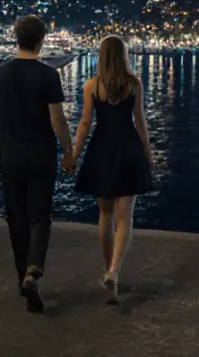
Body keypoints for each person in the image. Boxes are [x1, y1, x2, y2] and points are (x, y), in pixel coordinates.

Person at [0, 15, 75, 313]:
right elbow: (57, 119)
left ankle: (21, 274)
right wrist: (69, 149)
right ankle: (33, 271)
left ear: (16, 38)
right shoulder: (49, 75)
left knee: (16, 216)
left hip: (11, 155)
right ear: (41, 40)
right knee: (40, 215)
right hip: (41, 155)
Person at [70, 35, 154, 305]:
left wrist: (74, 153)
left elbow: (84, 123)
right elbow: (140, 123)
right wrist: (148, 154)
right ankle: (114, 271)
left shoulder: (92, 86)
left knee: (105, 215)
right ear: (123, 55)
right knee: (125, 217)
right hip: (129, 148)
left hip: (101, 149)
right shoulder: (134, 84)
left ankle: (108, 272)